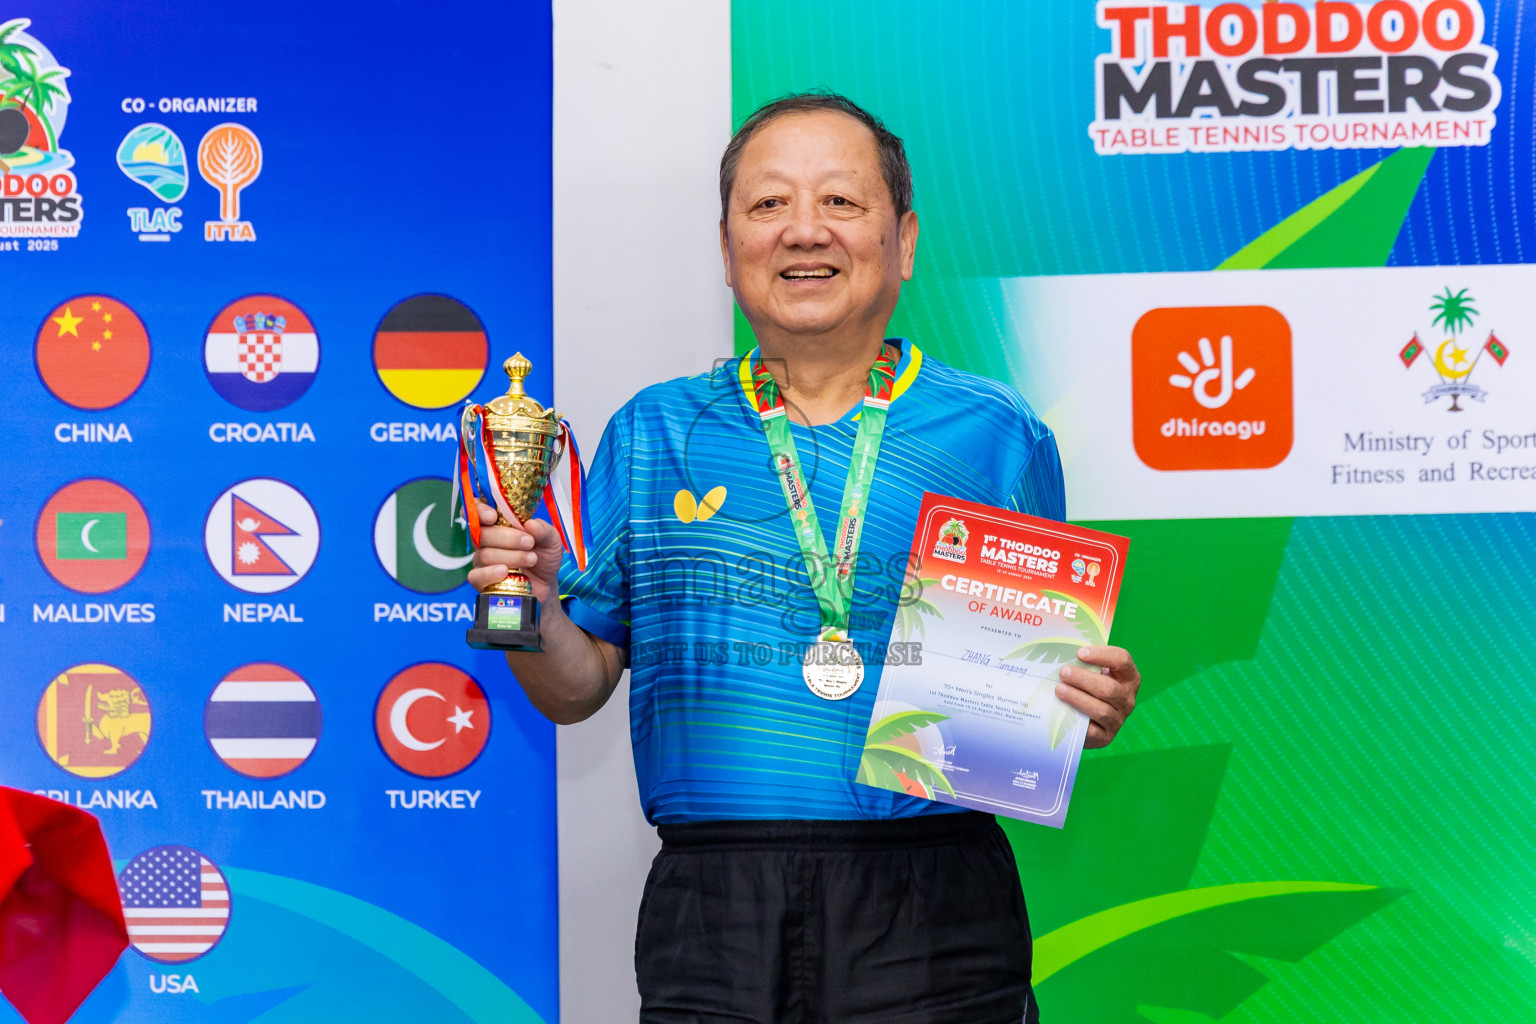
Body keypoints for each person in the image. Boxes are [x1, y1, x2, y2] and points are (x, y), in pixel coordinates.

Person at [469, 92, 1141, 1024]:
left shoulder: (993, 434)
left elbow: (1026, 701)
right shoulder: (654, 431)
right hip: (714, 909)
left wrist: (1074, 704)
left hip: (935, 902)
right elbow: (574, 688)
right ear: (726, 246)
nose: (802, 231)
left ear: (903, 240)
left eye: (840, 202)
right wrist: (534, 608)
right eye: (768, 205)